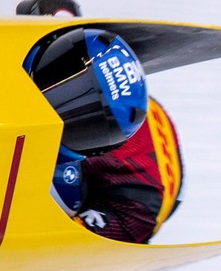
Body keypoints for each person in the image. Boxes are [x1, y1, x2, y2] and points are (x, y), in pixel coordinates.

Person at [25, 28, 183, 244]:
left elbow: (62, 244)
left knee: (66, 196)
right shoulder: (104, 80)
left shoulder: (135, 214)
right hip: (139, 120)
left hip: (137, 204)